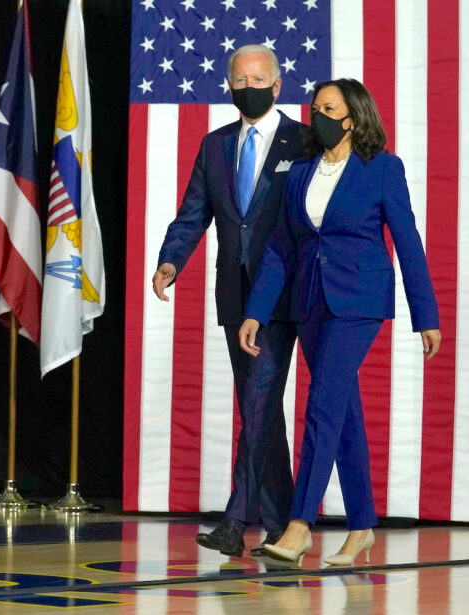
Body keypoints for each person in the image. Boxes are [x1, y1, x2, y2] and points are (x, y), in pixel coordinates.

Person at [238, 78, 441, 566]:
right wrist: (256, 311)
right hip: (310, 302)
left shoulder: (383, 168)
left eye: (329, 109)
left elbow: (408, 241)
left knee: (322, 405)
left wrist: (426, 315)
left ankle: (299, 524)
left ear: (354, 117)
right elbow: (281, 247)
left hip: (359, 301)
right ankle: (362, 527)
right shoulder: (301, 170)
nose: (318, 117)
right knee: (342, 412)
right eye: (315, 109)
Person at [153, 44, 312, 557]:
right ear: (228, 86)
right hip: (234, 295)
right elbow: (192, 213)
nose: (249, 87)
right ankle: (282, 527)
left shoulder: (303, 142)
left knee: (259, 400)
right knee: (260, 407)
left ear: (278, 84)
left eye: (258, 79)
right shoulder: (215, 144)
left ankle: (234, 520)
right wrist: (171, 261)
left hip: (282, 295)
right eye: (240, 80)